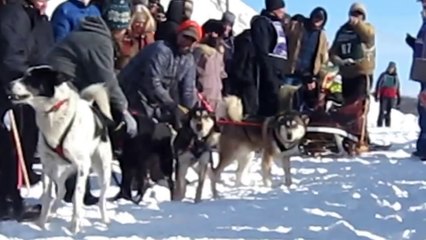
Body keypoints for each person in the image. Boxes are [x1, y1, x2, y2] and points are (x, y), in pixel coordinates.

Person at [46, 16, 138, 205]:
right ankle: (74, 192)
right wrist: (124, 108)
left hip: (56, 88)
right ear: (116, 28)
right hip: (60, 91)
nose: (124, 35)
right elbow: (106, 80)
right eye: (123, 30)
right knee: (75, 140)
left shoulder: (88, 35)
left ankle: (71, 190)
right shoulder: (100, 41)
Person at [0, 0, 55, 221]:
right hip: (14, 90)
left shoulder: (36, 16)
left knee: (23, 144)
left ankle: (13, 197)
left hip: (31, 91)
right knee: (11, 148)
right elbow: (11, 57)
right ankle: (8, 200)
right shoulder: (15, 14)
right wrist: (25, 82)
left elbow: (43, 52)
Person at [118, 19, 200, 128]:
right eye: (185, 36)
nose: (187, 42)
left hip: (153, 102)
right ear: (178, 34)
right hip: (133, 95)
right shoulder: (162, 50)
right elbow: (152, 81)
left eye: (192, 40)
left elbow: (188, 90)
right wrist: (172, 105)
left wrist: (190, 113)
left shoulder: (189, 60)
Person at [329, 2, 375, 151]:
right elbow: (333, 52)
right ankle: (348, 136)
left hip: (362, 72)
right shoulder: (342, 31)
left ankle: (362, 137)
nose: (356, 17)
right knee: (347, 106)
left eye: (359, 14)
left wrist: (358, 24)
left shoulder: (367, 28)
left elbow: (368, 35)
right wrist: (339, 61)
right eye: (354, 14)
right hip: (346, 73)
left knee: (359, 106)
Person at [286, 7, 329, 110]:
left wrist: (317, 79)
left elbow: (324, 60)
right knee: (284, 100)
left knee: (300, 105)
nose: (317, 21)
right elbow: (286, 28)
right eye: (316, 17)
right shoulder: (299, 26)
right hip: (290, 71)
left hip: (307, 77)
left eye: (320, 19)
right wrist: (293, 19)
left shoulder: (322, 36)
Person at [250, 0, 288, 117]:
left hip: (278, 73)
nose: (284, 11)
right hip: (268, 74)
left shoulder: (277, 24)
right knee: (268, 107)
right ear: (275, 8)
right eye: (282, 8)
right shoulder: (262, 23)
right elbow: (262, 51)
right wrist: (270, 75)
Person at [193, 19, 227, 111]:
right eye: (213, 32)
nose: (215, 36)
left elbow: (221, 74)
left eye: (218, 33)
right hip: (201, 99)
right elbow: (192, 75)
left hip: (216, 97)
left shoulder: (219, 53)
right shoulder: (199, 51)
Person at [407, 0, 426, 159]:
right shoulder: (424, 23)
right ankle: (422, 147)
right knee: (423, 110)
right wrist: (414, 44)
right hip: (422, 74)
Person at [115, 4, 156, 69]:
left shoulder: (148, 36)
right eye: (137, 22)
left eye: (143, 22)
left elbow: (151, 55)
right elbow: (124, 57)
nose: (140, 25)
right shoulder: (126, 36)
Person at [374, 61, 401, 127]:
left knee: (389, 112)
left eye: (392, 68)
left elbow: (397, 88)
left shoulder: (396, 77)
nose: (390, 69)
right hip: (384, 95)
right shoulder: (383, 75)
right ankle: (379, 125)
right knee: (382, 111)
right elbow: (378, 85)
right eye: (390, 68)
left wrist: (399, 98)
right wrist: (376, 94)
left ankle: (387, 125)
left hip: (391, 96)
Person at [220, 11, 236, 95]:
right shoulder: (215, 38)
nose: (226, 27)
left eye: (229, 25)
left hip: (227, 78)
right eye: (225, 24)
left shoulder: (233, 43)